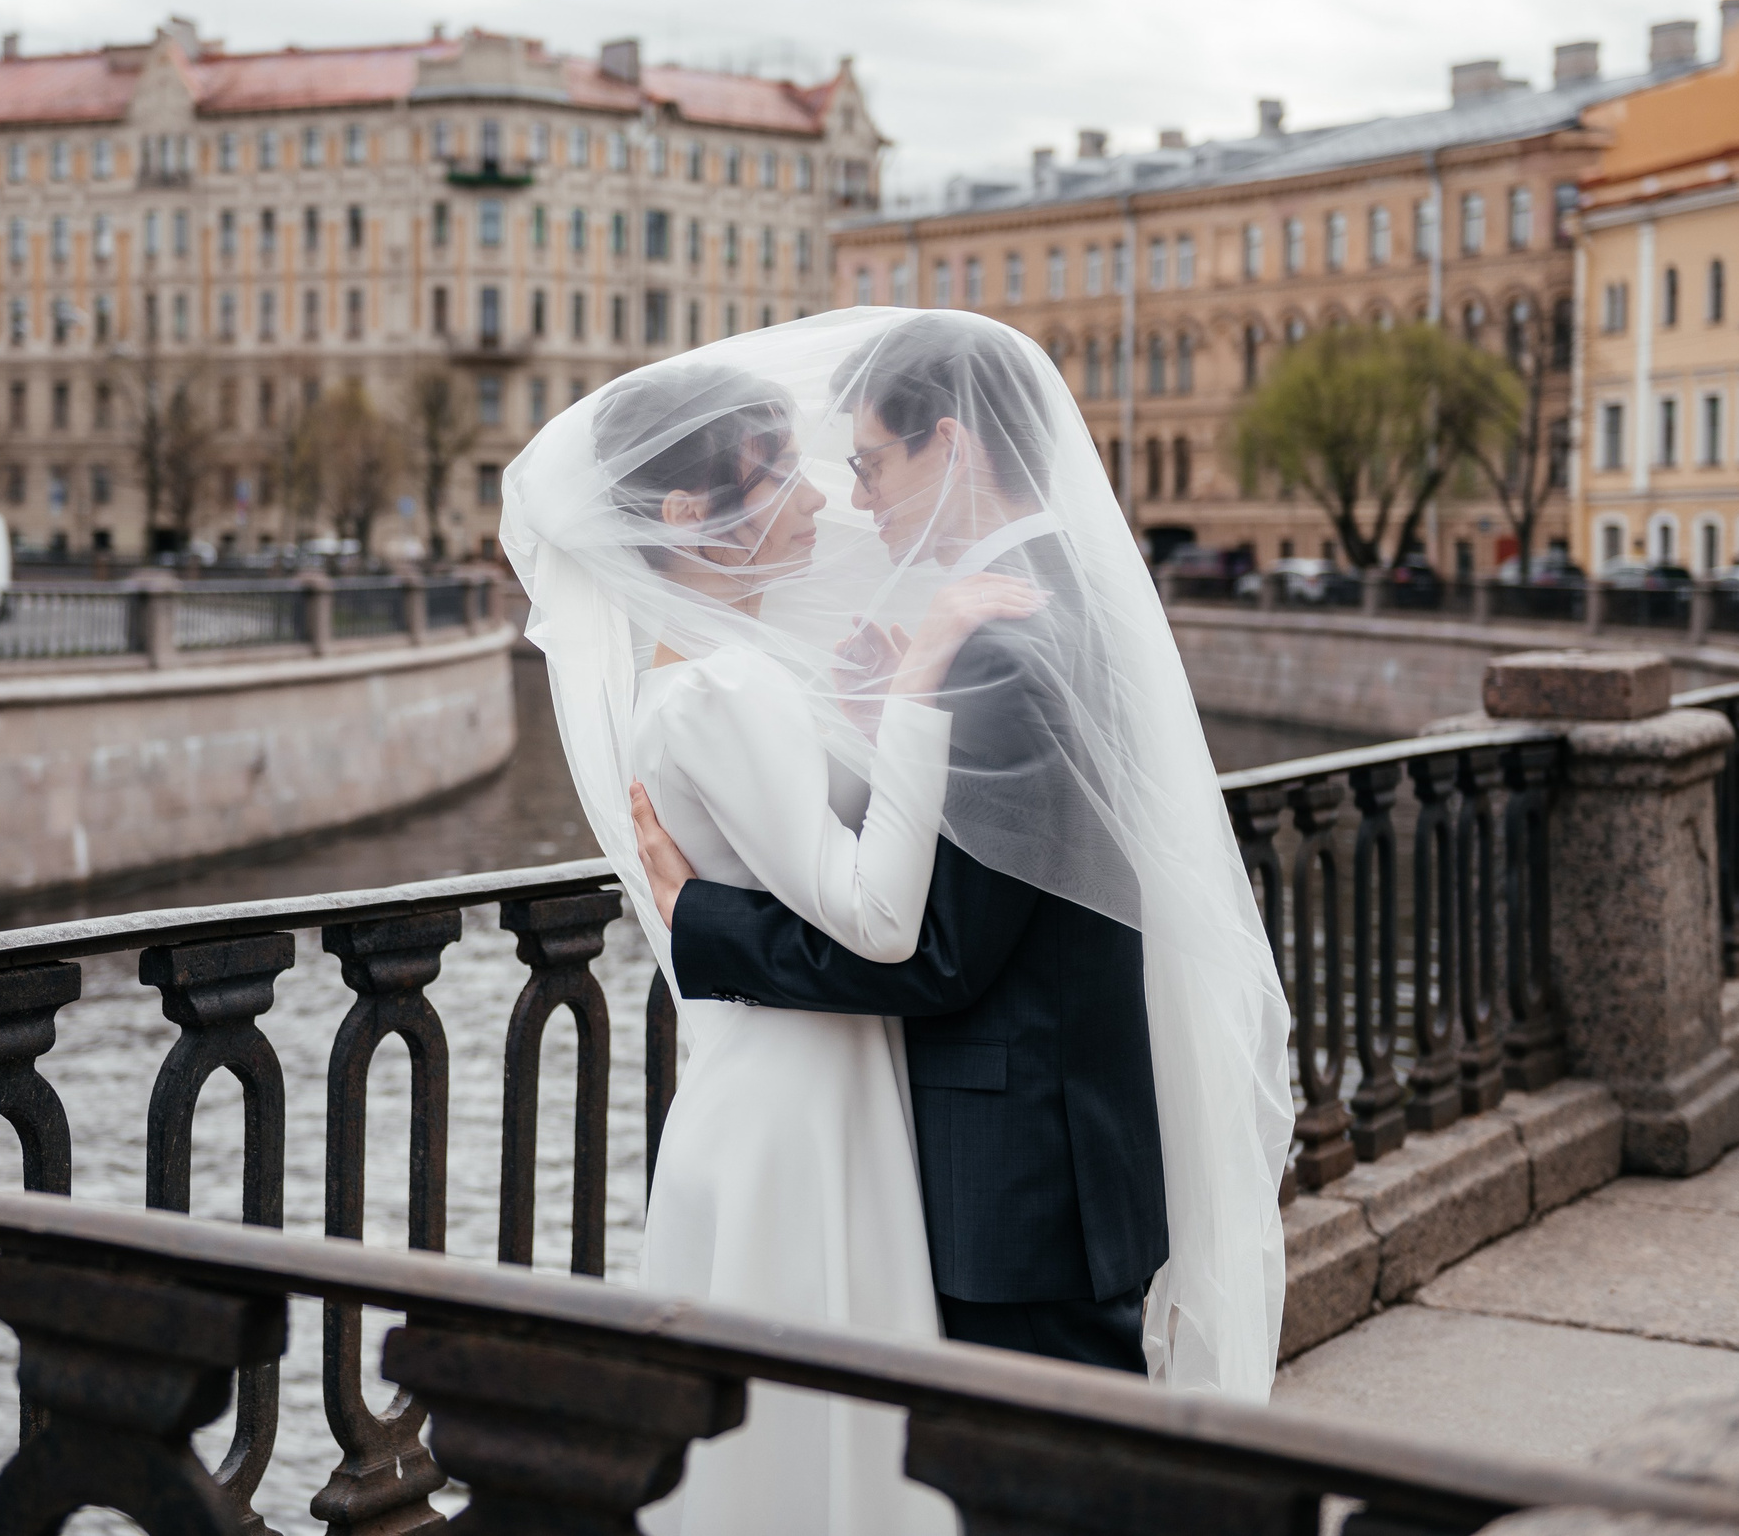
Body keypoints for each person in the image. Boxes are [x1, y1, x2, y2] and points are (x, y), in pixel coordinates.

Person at [626, 311, 1293, 1398]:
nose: (857, 496)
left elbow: (935, 954)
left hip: (1016, 1180)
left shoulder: (997, 646)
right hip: (1053, 1150)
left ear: (955, 444)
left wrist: (702, 920)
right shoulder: (1051, 603)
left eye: (871, 462)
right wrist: (895, 717)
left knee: (1048, 1487)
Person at [501, 352, 1035, 1536]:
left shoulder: (708, 673)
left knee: (789, 1444)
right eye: (777, 475)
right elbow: (880, 918)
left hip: (780, 1088)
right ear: (690, 516)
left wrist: (854, 720)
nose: (814, 500)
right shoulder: (721, 687)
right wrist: (924, 680)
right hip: (800, 1112)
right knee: (821, 1439)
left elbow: (794, 855)